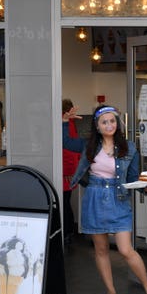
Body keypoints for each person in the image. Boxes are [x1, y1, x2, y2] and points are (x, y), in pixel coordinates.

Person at [62, 104, 147, 294]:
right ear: (97, 126)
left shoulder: (129, 148)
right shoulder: (87, 145)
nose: (109, 125)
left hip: (118, 198)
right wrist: (65, 121)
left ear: (117, 123)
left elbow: (133, 177)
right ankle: (111, 292)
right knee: (101, 249)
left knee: (126, 250)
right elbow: (65, 141)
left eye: (112, 120)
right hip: (95, 198)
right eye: (104, 122)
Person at [62, 99, 80, 246]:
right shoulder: (70, 124)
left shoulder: (66, 125)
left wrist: (67, 171)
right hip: (68, 170)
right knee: (66, 202)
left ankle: (67, 232)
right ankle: (68, 232)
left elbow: (67, 150)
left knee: (64, 203)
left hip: (65, 171)